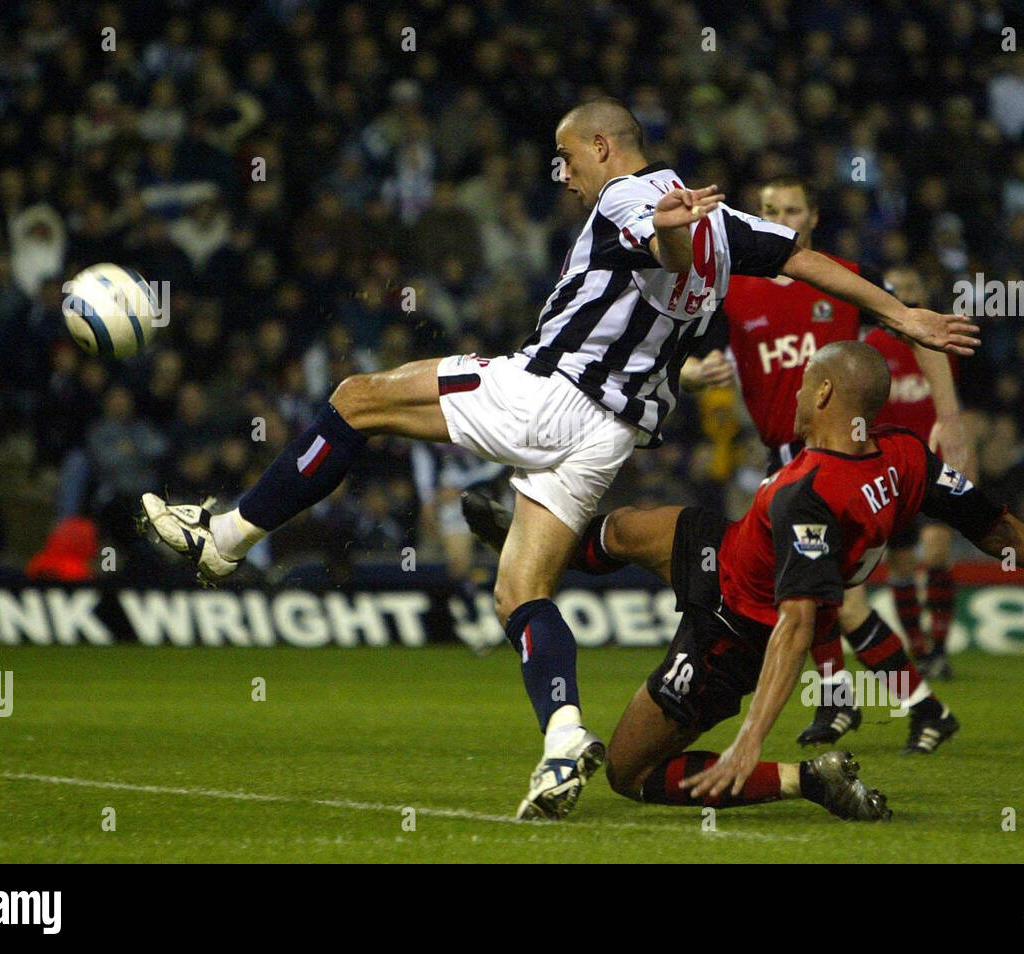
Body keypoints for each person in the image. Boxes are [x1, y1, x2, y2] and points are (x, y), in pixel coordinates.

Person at [140, 99, 979, 820]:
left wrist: (671, 234)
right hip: (608, 437)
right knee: (521, 589)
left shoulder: (632, 193)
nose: (562, 175)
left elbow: (654, 240)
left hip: (551, 396)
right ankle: (563, 735)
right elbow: (803, 260)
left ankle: (226, 539)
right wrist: (900, 315)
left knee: (360, 396)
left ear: (605, 147)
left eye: (566, 157)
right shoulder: (726, 224)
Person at [466, 342, 1024, 810]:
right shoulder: (905, 456)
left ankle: (805, 781)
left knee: (629, 772)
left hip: (730, 628)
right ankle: (530, 538)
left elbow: (795, 624)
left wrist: (747, 742)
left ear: (824, 392)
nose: (795, 392)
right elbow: (997, 527)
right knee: (627, 528)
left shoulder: (808, 496)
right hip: (725, 547)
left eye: (804, 381)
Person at [679, 177, 973, 751]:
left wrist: (951, 417)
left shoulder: (842, 277)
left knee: (828, 595)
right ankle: (853, 702)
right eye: (767, 210)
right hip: (781, 458)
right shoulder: (730, 281)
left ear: (813, 215)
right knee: (812, 594)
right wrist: (691, 375)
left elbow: (917, 327)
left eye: (791, 209)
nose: (780, 219)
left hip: (837, 460)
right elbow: (671, 342)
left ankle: (910, 706)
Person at [865, 265, 959, 679]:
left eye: (912, 287)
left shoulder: (942, 342)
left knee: (937, 552)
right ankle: (919, 652)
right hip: (890, 469)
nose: (905, 295)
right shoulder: (870, 346)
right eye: (896, 290)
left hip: (935, 463)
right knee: (901, 565)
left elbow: (956, 406)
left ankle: (939, 649)